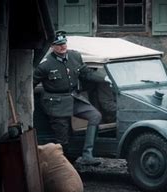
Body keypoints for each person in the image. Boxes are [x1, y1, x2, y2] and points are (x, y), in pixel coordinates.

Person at [33, 31, 110, 165]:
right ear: (52, 46)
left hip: (74, 98)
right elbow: (30, 84)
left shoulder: (75, 56)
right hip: (56, 103)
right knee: (63, 140)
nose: (62, 47)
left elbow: (86, 74)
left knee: (95, 116)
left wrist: (105, 78)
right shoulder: (45, 65)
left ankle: (87, 155)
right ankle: (64, 166)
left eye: (64, 43)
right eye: (58, 45)